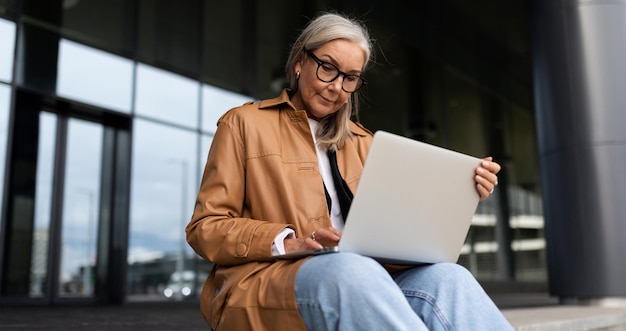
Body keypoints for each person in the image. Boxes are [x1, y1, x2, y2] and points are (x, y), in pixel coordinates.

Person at [186, 11, 514, 331]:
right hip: (268, 280)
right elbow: (207, 227)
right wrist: (287, 241)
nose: (337, 87)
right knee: (349, 270)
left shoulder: (366, 143)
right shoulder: (244, 124)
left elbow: (393, 234)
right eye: (328, 68)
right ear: (300, 62)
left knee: (449, 277)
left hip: (366, 276)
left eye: (350, 77)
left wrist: (462, 193)